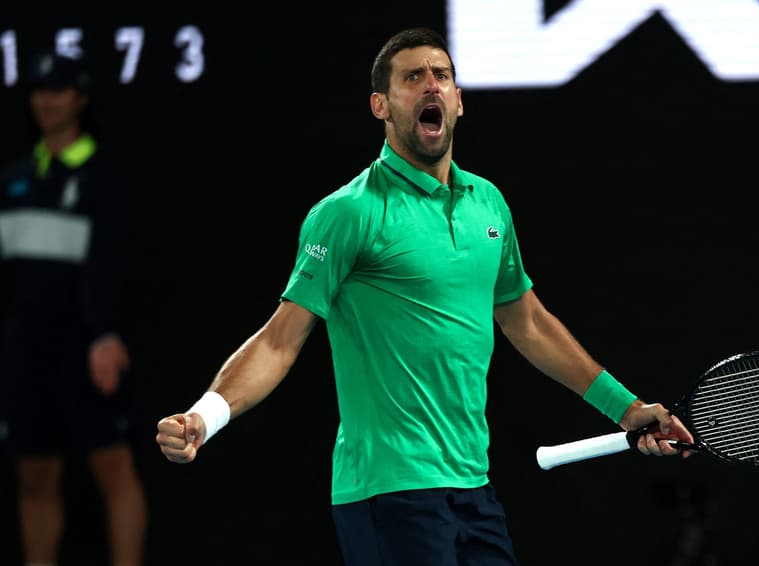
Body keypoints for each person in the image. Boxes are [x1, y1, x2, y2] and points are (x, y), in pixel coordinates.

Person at [156, 27, 694, 565]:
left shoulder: (489, 205)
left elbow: (527, 322)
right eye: (412, 78)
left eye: (442, 75)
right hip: (387, 490)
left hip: (472, 488)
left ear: (459, 100)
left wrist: (625, 408)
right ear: (381, 105)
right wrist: (205, 417)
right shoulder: (348, 213)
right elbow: (279, 342)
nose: (431, 86)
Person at [0, 50, 148, 566]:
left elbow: (110, 266)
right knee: (34, 472)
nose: (48, 101)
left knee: (113, 465)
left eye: (59, 91)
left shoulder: (102, 175)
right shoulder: (15, 177)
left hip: (86, 345)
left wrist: (104, 335)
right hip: (25, 350)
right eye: (40, 92)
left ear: (80, 99)